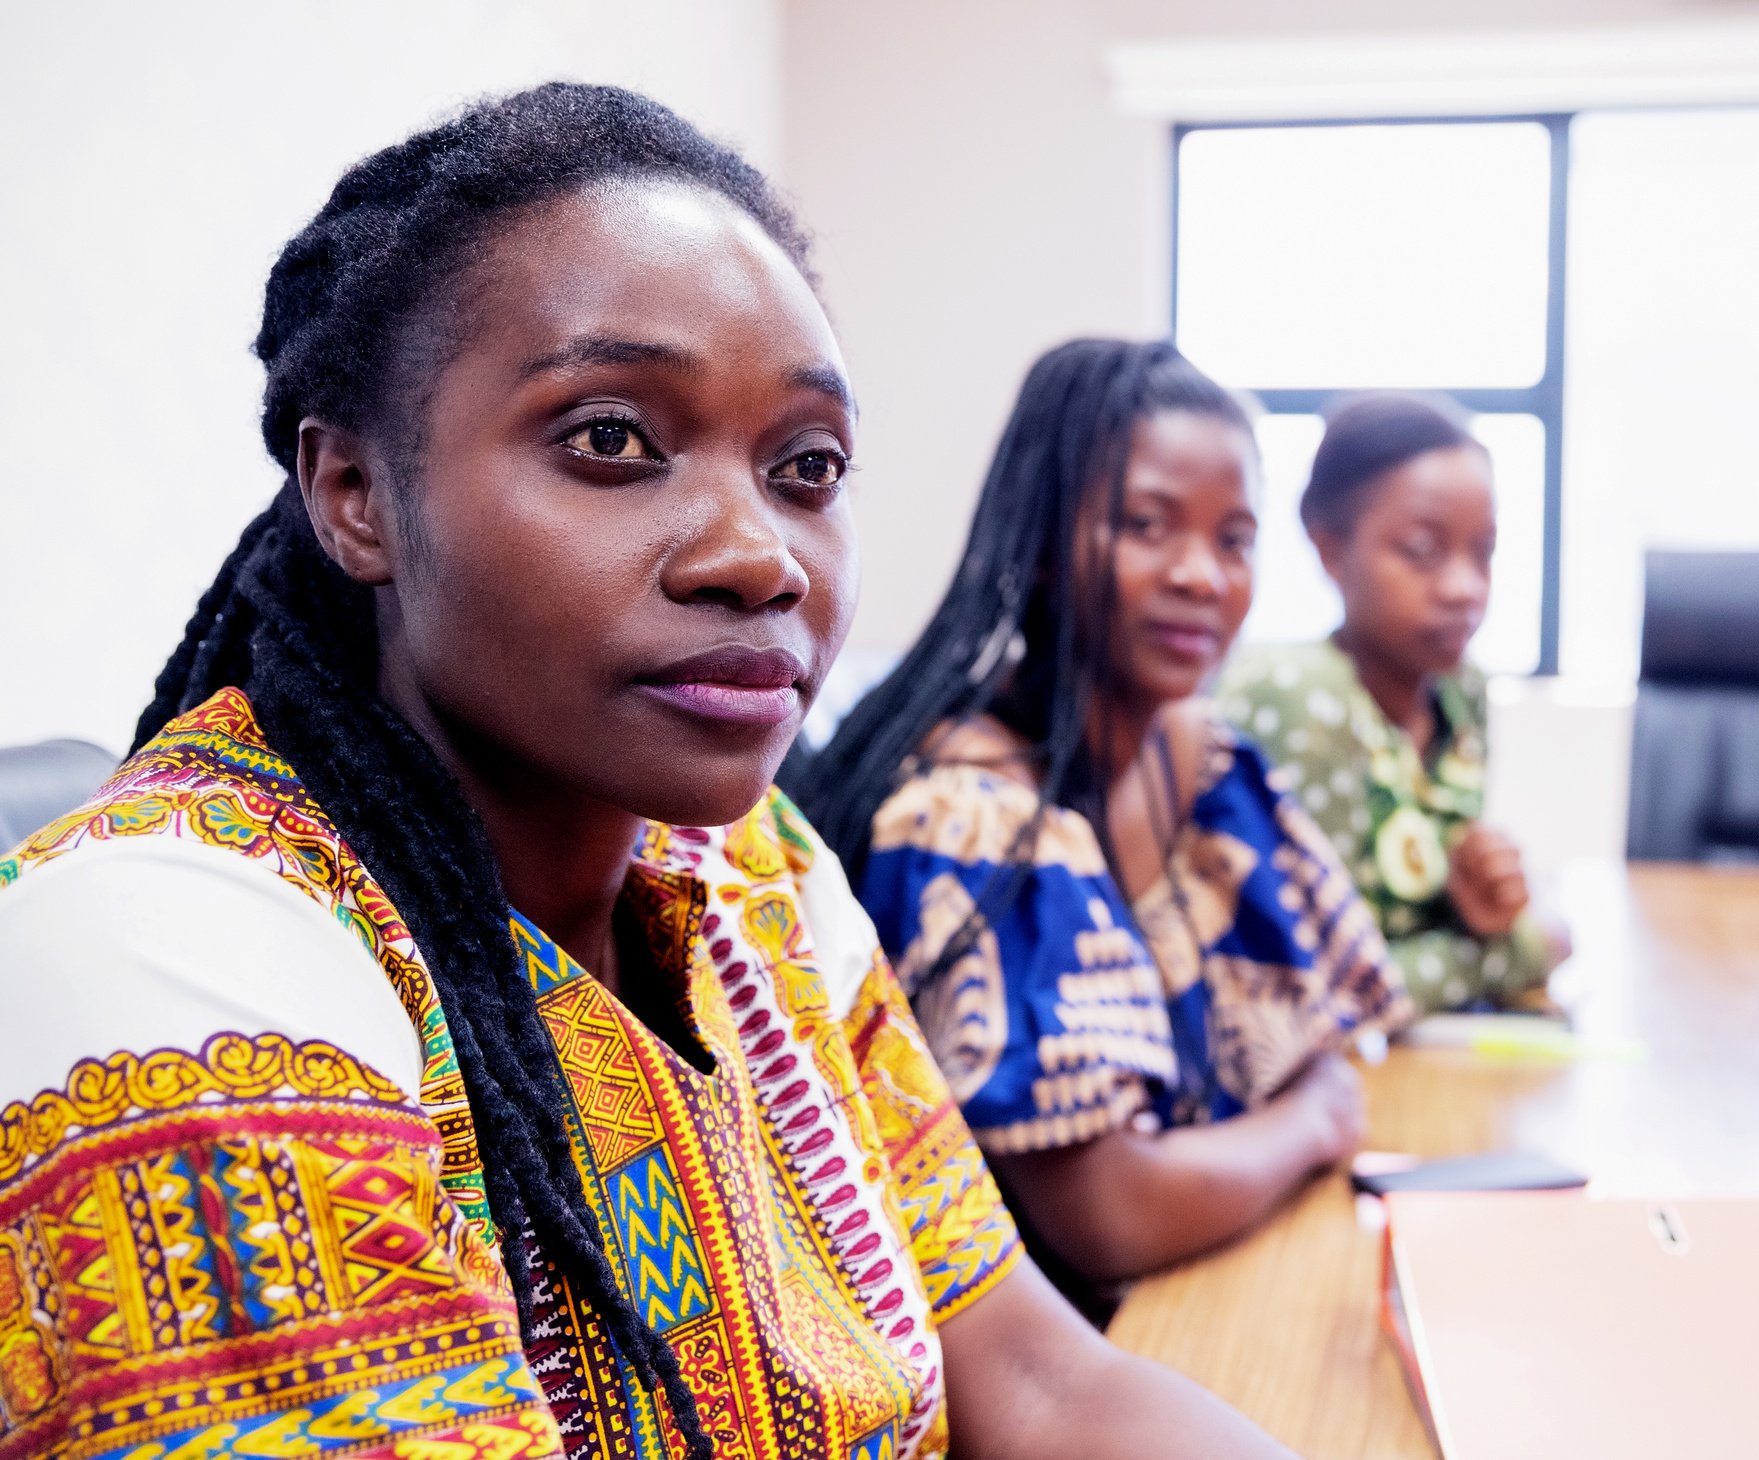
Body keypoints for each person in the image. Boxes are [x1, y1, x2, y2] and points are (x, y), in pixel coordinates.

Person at [0, 85, 1291, 1460]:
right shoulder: (175, 946)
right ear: (354, 494)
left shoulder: (755, 867)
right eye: (611, 439)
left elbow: (1037, 1381)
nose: (761, 554)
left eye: (806, 465)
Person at [787, 341, 1408, 1315]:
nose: (1199, 574)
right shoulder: (972, 814)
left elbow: (1332, 1024)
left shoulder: (1208, 767)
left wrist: (1304, 1105)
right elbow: (1108, 1211)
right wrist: (1309, 1124)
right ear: (1041, 545)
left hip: (1218, 1282)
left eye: (1233, 539)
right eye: (1145, 525)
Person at [1218, 394, 1567, 1016]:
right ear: (1329, 548)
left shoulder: (1461, 691)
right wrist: (1517, 949)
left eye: (1483, 551)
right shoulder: (1303, 698)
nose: (1465, 588)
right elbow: (1321, 989)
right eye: (1422, 551)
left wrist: (1480, 905)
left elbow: (1422, 931)